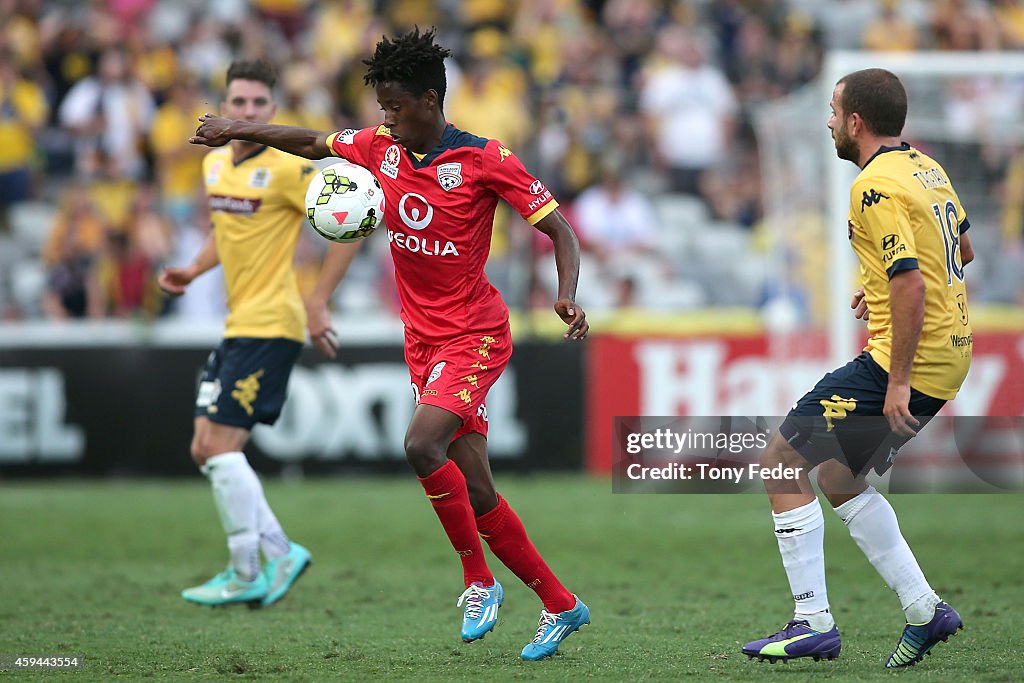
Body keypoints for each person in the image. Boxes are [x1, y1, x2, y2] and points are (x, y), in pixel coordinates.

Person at [190, 28, 591, 660]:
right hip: (423, 342)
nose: (386, 118)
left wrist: (566, 292)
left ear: (430, 100)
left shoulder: (488, 159)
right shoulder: (380, 149)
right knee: (477, 488)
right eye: (381, 108)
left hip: (476, 334)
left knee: (420, 443)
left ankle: (477, 581)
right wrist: (238, 131)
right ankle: (561, 604)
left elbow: (561, 229)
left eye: (396, 107)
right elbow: (312, 141)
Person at [741, 68, 974, 668]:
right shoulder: (927, 169)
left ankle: (812, 621)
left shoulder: (872, 187)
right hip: (952, 353)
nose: (826, 121)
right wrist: (882, 287)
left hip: (909, 360)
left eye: (832, 109)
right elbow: (961, 251)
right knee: (840, 478)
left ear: (855, 122)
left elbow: (912, 280)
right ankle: (925, 609)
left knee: (781, 460)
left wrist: (896, 378)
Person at [159, 59, 360, 609]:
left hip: (272, 325)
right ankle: (278, 552)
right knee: (206, 448)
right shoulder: (215, 168)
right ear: (225, 107)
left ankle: (247, 568)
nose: (248, 111)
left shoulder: (290, 169)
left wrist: (317, 299)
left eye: (258, 104)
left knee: (222, 448)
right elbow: (223, 233)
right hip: (237, 324)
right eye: (239, 103)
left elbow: (355, 225)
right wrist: (192, 270)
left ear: (272, 112)